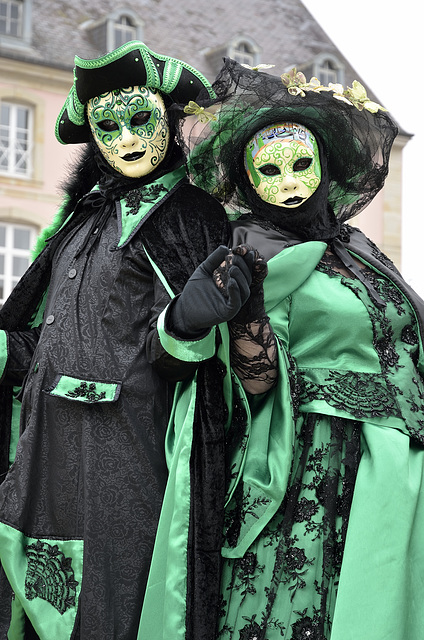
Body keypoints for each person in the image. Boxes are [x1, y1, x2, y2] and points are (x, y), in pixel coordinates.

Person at [0, 42, 259, 640]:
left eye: (139, 118)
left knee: (114, 609)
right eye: (106, 126)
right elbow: (52, 341)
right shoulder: (84, 218)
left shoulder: (189, 215)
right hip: (49, 456)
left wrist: (185, 325)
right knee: (43, 607)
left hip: (125, 461)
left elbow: (198, 366)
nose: (125, 137)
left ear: (166, 117)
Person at [173, 59, 424, 639]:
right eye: (269, 169)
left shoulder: (358, 247)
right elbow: (257, 384)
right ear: (248, 182)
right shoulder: (256, 253)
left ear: (327, 167)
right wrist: (248, 312)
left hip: (397, 463)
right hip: (318, 466)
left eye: (301, 163)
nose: (288, 180)